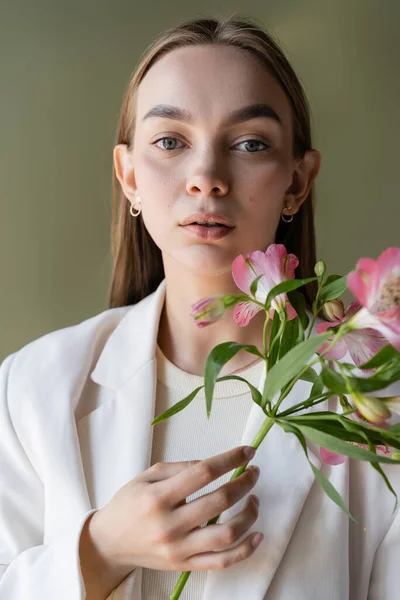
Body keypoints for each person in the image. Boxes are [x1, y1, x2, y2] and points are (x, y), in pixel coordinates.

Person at [0, 15, 398, 600]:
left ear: (297, 181)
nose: (206, 178)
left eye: (250, 144)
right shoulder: (31, 391)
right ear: (129, 175)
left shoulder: (378, 405)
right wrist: (101, 549)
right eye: (170, 142)